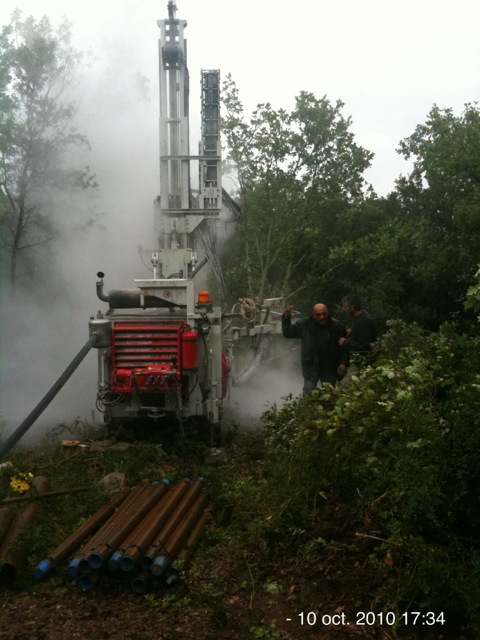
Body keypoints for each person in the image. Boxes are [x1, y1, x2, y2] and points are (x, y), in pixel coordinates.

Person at [282, 302, 348, 394]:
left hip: (329, 367)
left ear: (328, 313)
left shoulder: (336, 326)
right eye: (318, 315)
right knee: (308, 392)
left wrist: (343, 362)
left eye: (324, 314)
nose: (322, 317)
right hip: (311, 366)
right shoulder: (305, 325)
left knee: (328, 393)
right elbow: (288, 333)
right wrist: (287, 316)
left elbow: (345, 347)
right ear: (313, 315)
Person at [338, 294, 378, 380]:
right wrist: (353, 330)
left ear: (352, 308)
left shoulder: (364, 321)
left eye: (345, 307)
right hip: (357, 359)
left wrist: (345, 342)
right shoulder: (359, 316)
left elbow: (366, 345)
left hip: (364, 361)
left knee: (344, 386)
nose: (343, 309)